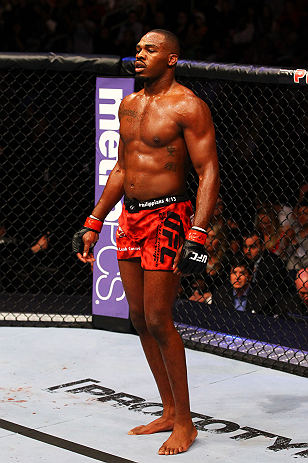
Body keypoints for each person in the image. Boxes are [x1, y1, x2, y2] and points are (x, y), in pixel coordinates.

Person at [73, 29, 220, 455]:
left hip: (169, 216)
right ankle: (170, 410)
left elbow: (208, 170)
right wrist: (95, 218)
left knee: (158, 318)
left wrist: (199, 232)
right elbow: (121, 166)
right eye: (137, 49)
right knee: (138, 316)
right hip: (131, 218)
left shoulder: (189, 106)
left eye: (149, 50)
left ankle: (187, 423)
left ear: (171, 59)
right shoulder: (130, 104)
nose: (139, 55)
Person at [242, 229, 290, 300]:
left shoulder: (275, 264)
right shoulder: (241, 260)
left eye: (252, 247)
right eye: (245, 247)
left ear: (263, 246)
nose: (247, 251)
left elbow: (276, 295)